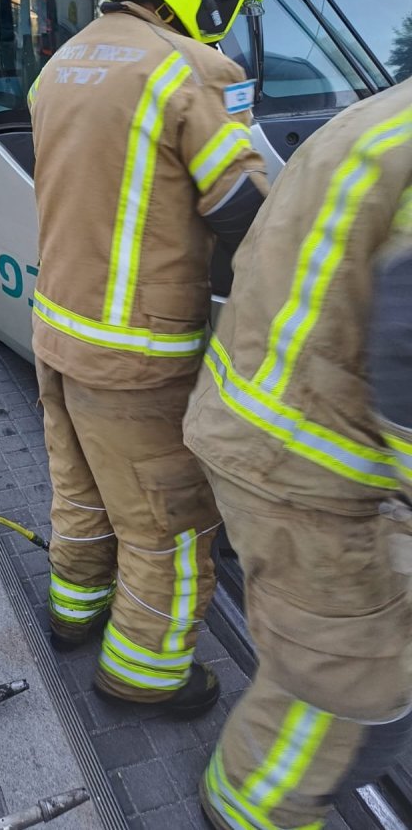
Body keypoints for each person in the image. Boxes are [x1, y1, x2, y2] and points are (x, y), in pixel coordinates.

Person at [27, 0, 268, 716]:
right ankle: (148, 672)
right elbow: (244, 209)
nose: (228, 24)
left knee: (83, 493)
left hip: (56, 335)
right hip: (139, 360)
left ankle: (73, 613)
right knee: (170, 523)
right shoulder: (193, 73)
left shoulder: (64, 65)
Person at [183, 78, 412, 828]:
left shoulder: (386, 116)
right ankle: (250, 805)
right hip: (303, 467)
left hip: (273, 430)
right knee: (351, 677)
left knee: (336, 648)